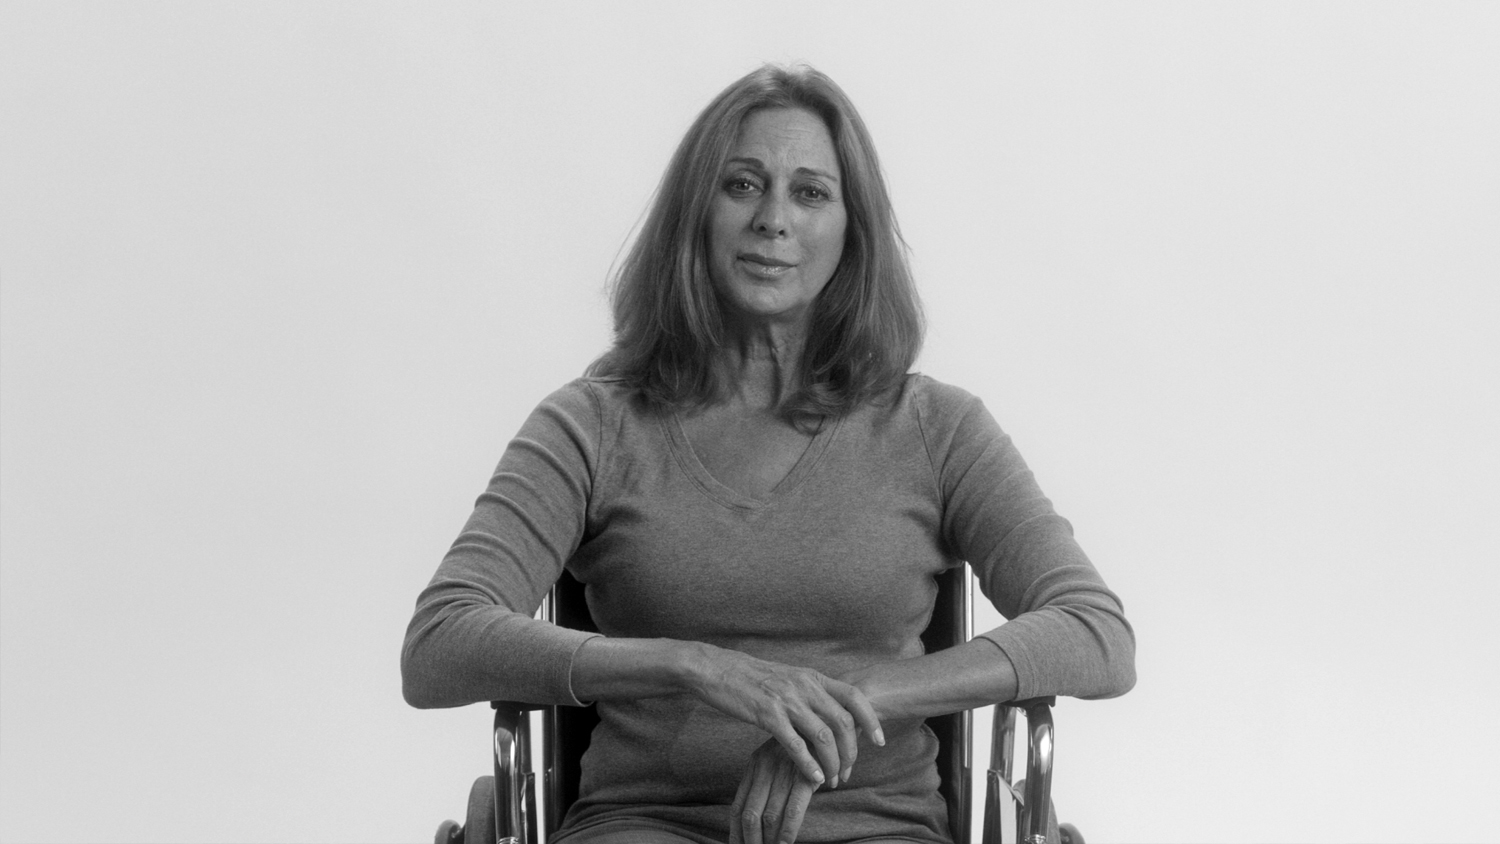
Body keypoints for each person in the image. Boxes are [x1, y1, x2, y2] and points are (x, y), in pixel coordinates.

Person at [402, 64, 1135, 844]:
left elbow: (1095, 633)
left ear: (853, 230)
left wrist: (855, 701)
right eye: (743, 185)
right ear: (694, 211)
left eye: (810, 193)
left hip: (876, 827)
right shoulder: (591, 425)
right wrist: (693, 666)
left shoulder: (934, 427)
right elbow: (440, 642)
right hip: (647, 823)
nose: (773, 220)